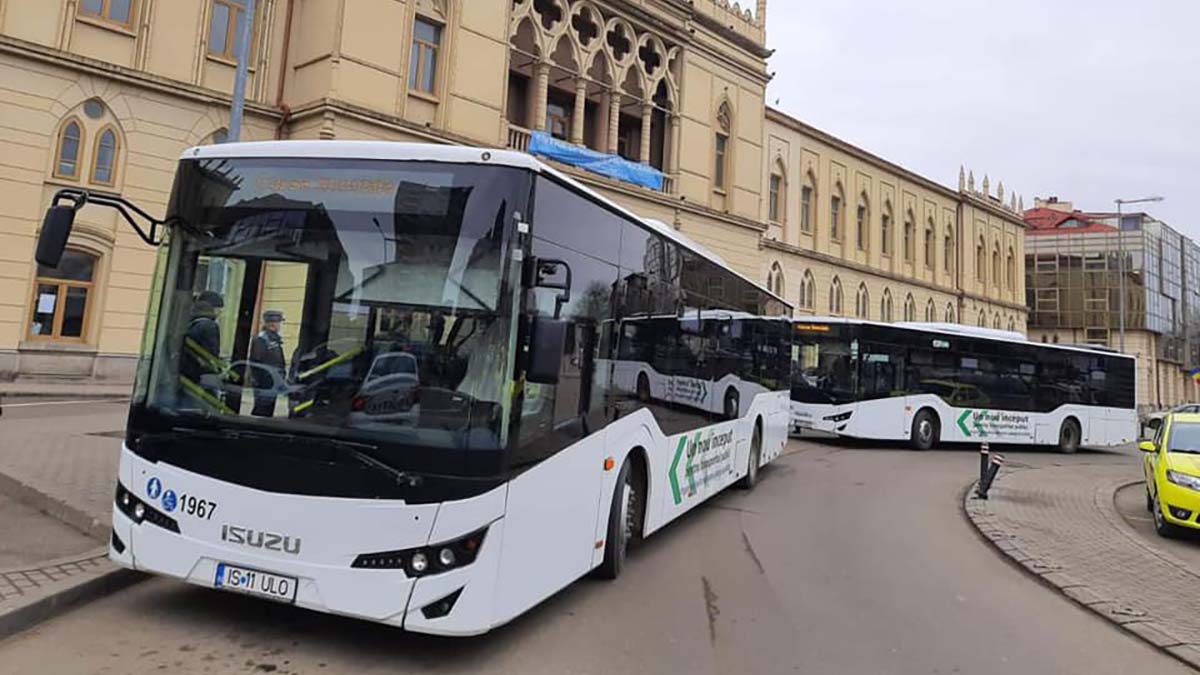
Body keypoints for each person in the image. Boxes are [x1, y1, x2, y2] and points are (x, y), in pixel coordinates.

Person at [181, 290, 225, 399]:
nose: (220, 312)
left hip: (188, 372)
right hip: (202, 374)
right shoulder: (209, 326)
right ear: (212, 308)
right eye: (218, 309)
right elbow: (212, 353)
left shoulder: (192, 323)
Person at [250, 310, 287, 417]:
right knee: (262, 411)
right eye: (279, 323)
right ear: (272, 324)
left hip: (272, 382)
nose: (280, 326)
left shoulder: (273, 339)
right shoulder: (262, 339)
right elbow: (257, 363)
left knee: (268, 410)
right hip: (265, 383)